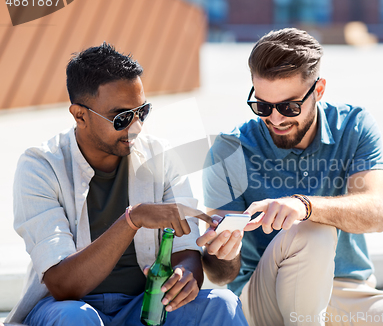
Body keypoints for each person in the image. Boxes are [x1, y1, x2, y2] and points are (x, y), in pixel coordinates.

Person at [197, 28, 383, 326]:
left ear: (318, 90)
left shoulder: (354, 126)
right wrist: (224, 252)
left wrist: (304, 206)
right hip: (264, 299)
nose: (275, 119)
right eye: (263, 106)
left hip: (345, 294)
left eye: (289, 107)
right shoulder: (229, 151)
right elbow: (220, 275)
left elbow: (377, 213)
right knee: (311, 231)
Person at [5, 43, 248, 326]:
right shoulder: (40, 166)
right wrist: (133, 219)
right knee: (74, 318)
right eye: (121, 118)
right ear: (79, 115)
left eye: (142, 112)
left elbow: (186, 251)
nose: (137, 127)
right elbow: (63, 286)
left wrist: (184, 276)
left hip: (145, 305)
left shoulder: (162, 157)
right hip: (66, 308)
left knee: (222, 304)